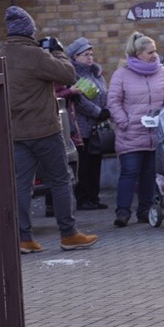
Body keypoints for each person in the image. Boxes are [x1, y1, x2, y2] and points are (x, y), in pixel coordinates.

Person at [0, 6, 98, 254]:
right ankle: (69, 234)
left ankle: (24, 238)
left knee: (21, 185)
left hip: (15, 132)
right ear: (29, 31)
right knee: (60, 180)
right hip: (44, 130)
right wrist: (58, 51)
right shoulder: (36, 55)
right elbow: (68, 74)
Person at [107, 31, 164, 227]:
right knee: (129, 172)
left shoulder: (161, 71)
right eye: (150, 52)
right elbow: (113, 101)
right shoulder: (122, 74)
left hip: (154, 133)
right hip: (130, 133)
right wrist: (124, 122)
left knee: (148, 173)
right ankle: (122, 212)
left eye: (155, 51)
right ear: (138, 54)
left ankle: (145, 211)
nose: (155, 55)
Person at [66, 37, 111, 211]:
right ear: (75, 57)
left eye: (91, 54)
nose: (90, 58)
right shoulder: (73, 75)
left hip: (97, 127)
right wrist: (98, 112)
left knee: (95, 163)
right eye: (85, 55)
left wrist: (106, 110)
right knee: (84, 165)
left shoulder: (96, 74)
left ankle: (94, 197)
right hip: (83, 126)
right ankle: (83, 199)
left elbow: (105, 94)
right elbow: (80, 101)